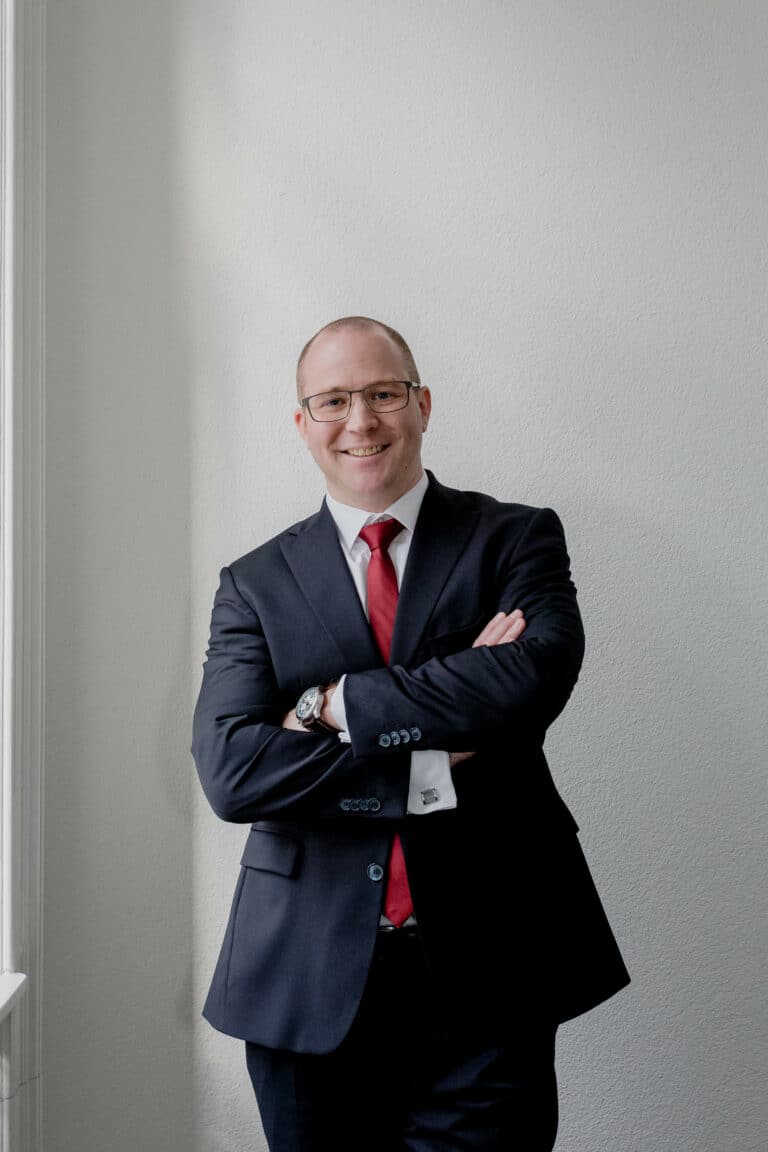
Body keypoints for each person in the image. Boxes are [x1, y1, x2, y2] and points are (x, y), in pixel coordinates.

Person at [191, 316, 630, 1152]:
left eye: (383, 393)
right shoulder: (253, 584)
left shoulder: (513, 538)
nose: (360, 421)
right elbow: (232, 771)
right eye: (333, 400)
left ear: (422, 404)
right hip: (305, 981)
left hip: (489, 967)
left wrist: (329, 707)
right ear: (302, 423)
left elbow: (532, 679)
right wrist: (432, 755)